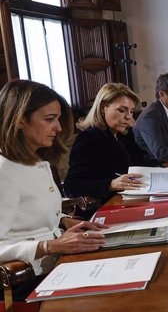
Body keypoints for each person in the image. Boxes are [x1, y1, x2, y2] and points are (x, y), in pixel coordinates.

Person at [0, 80, 105, 283]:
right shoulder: (4, 171)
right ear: (20, 120)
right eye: (50, 119)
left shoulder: (34, 160)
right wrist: (50, 246)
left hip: (56, 264)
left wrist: (63, 220)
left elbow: (27, 214)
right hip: (27, 278)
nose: (58, 128)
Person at [63, 83, 150, 203]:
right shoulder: (88, 138)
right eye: (122, 110)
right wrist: (111, 184)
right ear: (103, 108)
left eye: (131, 111)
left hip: (129, 199)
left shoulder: (124, 134)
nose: (128, 117)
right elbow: (71, 187)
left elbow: (143, 160)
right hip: (103, 206)